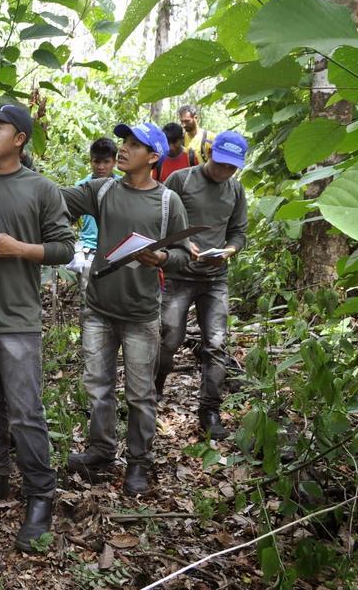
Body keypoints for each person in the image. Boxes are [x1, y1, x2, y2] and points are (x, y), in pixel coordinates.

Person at [0, 101, 75, 552]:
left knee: (27, 413)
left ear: (19, 140)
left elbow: (65, 248)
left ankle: (41, 496)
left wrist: (19, 248)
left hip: (19, 318)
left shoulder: (42, 189)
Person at [61, 123, 191, 495]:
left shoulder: (168, 202)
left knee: (140, 393)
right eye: (124, 142)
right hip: (99, 309)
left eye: (135, 145)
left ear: (153, 157)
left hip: (140, 315)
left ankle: (138, 462)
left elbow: (183, 255)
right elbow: (57, 200)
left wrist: (163, 256)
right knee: (99, 387)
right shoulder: (101, 190)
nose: (123, 149)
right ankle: (101, 451)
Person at [155, 131, 249, 440]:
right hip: (181, 273)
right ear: (209, 154)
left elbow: (238, 233)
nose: (225, 172)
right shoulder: (181, 180)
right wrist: (185, 242)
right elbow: (160, 216)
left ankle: (209, 409)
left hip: (214, 278)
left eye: (232, 167)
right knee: (169, 337)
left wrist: (229, 251)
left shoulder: (235, 190)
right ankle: (155, 388)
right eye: (221, 164)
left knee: (216, 344)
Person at [66, 137, 120, 284]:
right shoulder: (82, 186)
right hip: (89, 248)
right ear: (91, 162)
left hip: (116, 248)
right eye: (97, 161)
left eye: (106, 162)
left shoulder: (122, 185)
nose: (101, 167)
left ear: (114, 162)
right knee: (87, 294)